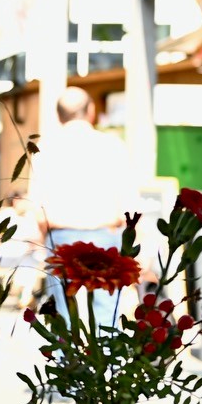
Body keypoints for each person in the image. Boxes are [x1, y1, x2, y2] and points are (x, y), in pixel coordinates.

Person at [27, 86, 138, 326]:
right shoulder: (112, 145)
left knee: (65, 318)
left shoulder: (45, 149)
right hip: (104, 238)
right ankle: (106, 363)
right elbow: (129, 204)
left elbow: (36, 205)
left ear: (59, 116)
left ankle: (67, 363)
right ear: (91, 111)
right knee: (107, 316)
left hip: (61, 238)